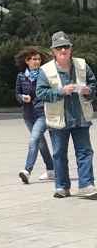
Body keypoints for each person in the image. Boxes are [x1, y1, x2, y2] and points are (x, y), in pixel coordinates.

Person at [35, 31, 96, 199]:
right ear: (53, 51)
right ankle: (62, 186)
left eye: (66, 47)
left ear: (70, 48)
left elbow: (93, 84)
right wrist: (61, 91)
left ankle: (86, 185)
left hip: (81, 117)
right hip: (58, 119)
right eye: (59, 48)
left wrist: (88, 90)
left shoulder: (82, 64)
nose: (63, 50)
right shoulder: (45, 70)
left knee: (85, 152)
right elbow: (41, 93)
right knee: (59, 154)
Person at [13, 46, 54, 184]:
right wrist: (22, 98)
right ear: (26, 60)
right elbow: (17, 93)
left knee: (33, 140)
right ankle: (51, 169)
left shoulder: (44, 75)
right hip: (28, 114)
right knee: (40, 143)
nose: (37, 61)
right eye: (34, 59)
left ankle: (27, 170)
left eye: (39, 59)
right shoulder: (21, 76)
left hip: (42, 113)